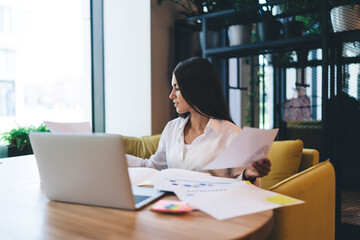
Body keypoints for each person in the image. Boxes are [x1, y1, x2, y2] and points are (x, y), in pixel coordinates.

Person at [127, 57, 271, 186]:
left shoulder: (231, 133)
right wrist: (117, 158)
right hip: (174, 208)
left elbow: (242, 183)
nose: (171, 95)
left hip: (212, 209)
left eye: (176, 88)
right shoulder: (171, 128)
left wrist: (249, 175)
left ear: (195, 89)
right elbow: (153, 167)